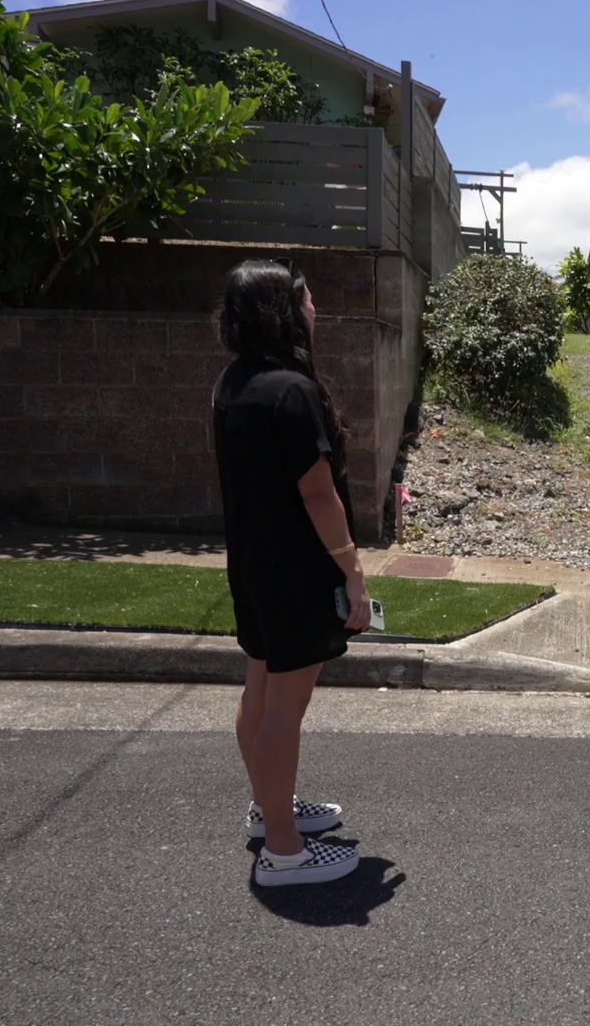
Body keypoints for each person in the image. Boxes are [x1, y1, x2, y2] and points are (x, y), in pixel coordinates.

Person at [213, 258, 372, 887]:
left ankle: (270, 810)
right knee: (285, 707)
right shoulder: (292, 390)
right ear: (281, 312)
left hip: (253, 566)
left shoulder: (233, 382)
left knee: (259, 692)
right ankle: (284, 851)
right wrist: (353, 572)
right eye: (306, 301)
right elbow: (318, 495)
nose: (315, 310)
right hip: (297, 572)